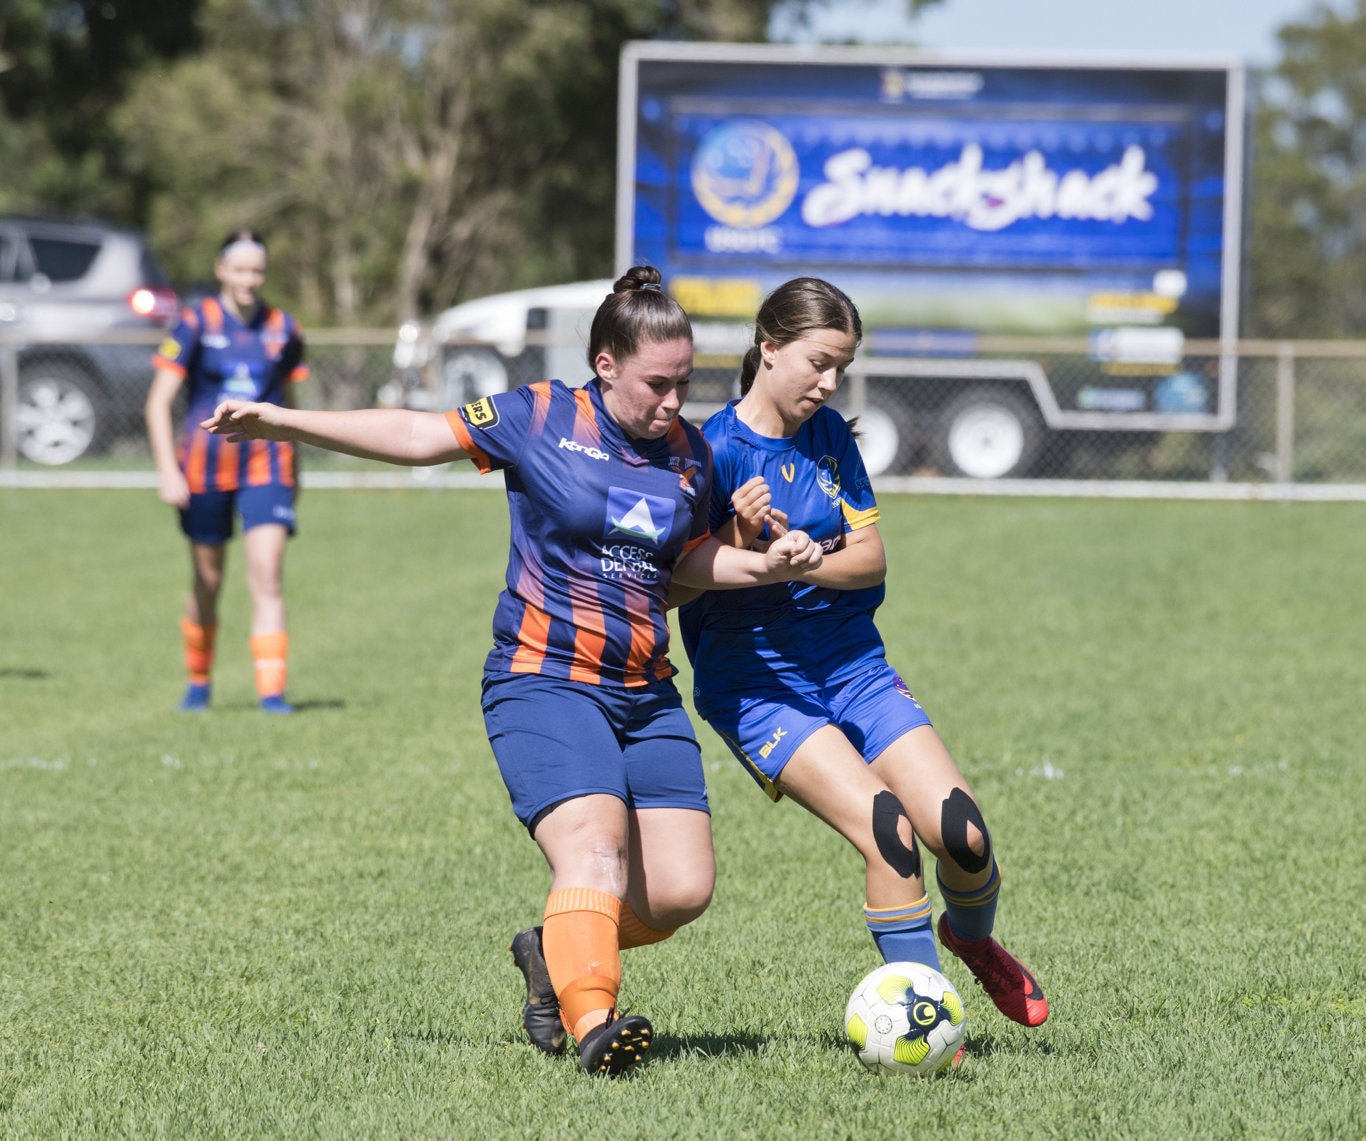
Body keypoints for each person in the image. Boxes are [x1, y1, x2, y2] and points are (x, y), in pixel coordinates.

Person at [201, 267, 824, 1077]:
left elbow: (692, 559)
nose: (674, 402)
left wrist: (765, 562)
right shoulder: (538, 414)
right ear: (605, 365)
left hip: (644, 689)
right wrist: (284, 421)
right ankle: (595, 1018)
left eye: (684, 383)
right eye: (657, 384)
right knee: (594, 848)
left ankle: (550, 946)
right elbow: (420, 436)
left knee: (679, 890)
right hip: (543, 677)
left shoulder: (689, 454)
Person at [675, 277, 1048, 1034]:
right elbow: (674, 586)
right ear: (767, 347)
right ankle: (929, 1026)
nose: (830, 382)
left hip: (852, 663)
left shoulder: (833, 437)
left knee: (964, 833)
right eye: (818, 362)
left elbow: (871, 557)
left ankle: (969, 938)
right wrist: (743, 542)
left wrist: (806, 560)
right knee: (890, 830)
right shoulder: (707, 451)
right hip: (757, 683)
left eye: (841, 365)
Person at [145, 229, 308, 714]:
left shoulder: (285, 328)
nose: (249, 279)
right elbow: (158, 405)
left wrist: (297, 466)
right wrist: (167, 471)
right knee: (208, 581)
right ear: (221, 270)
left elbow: (291, 406)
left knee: (266, 574)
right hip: (203, 468)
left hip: (267, 464)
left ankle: (271, 693)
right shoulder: (194, 323)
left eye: (257, 270)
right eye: (240, 269)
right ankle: (198, 680)